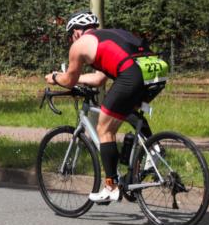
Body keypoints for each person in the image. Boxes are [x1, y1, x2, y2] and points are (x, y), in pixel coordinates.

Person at [44, 11, 151, 203]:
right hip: (153, 71)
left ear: (76, 32)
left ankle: (111, 186)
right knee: (128, 112)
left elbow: (68, 80)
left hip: (130, 75)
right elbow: (99, 79)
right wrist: (77, 81)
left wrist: (54, 78)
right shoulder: (108, 37)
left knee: (104, 129)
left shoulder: (79, 45)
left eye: (70, 36)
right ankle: (153, 152)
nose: (71, 41)